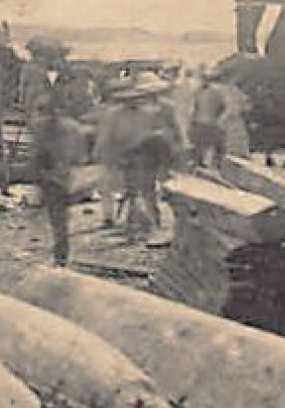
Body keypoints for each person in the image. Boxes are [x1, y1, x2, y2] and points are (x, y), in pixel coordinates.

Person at [92, 76, 178, 233]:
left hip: (145, 154)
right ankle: (134, 221)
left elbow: (156, 133)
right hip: (124, 154)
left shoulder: (148, 114)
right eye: (128, 99)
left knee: (148, 188)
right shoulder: (113, 115)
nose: (132, 102)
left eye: (135, 98)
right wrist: (105, 153)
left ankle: (152, 219)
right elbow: (106, 136)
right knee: (130, 189)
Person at [29, 80, 87, 267]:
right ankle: (61, 253)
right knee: (60, 217)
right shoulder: (74, 127)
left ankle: (60, 255)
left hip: (51, 175)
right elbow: (81, 156)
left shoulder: (39, 126)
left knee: (57, 217)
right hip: (64, 174)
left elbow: (37, 154)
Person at [189, 70, 229, 168]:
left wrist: (193, 121)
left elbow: (194, 108)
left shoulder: (198, 92)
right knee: (219, 146)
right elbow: (223, 107)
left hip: (201, 123)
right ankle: (217, 165)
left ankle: (197, 163)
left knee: (199, 145)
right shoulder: (218, 92)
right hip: (212, 123)